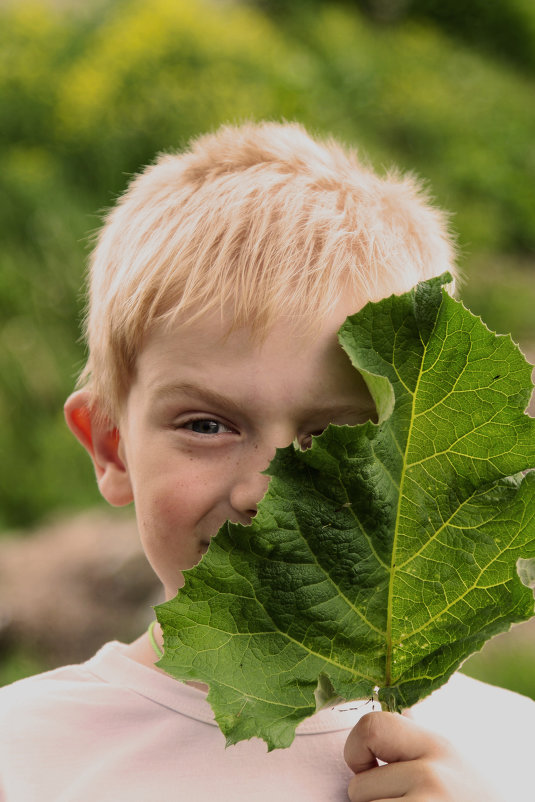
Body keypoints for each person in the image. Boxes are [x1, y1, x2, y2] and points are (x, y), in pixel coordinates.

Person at [1, 121, 533, 802]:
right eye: (206, 425)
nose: (265, 492)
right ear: (112, 448)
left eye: (332, 436)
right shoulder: (22, 756)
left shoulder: (513, 754)